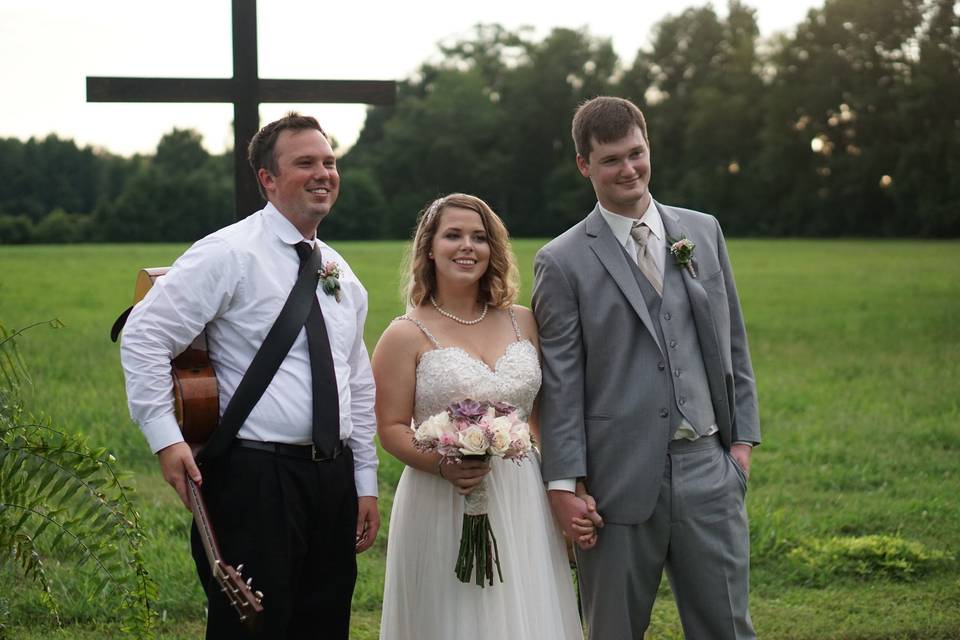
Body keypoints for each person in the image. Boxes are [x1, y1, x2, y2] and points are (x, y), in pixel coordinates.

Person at [120, 112, 379, 639]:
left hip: (332, 479)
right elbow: (145, 336)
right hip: (256, 479)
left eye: (329, 162)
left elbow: (357, 380)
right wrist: (166, 440)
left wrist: (364, 481)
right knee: (252, 630)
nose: (323, 173)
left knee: (324, 626)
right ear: (267, 178)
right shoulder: (228, 253)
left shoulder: (340, 273)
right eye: (304, 162)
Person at [532, 96, 761, 639]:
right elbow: (560, 385)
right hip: (615, 484)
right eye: (611, 159)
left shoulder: (702, 231)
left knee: (728, 628)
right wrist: (564, 485)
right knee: (612, 630)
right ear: (585, 166)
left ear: (648, 146)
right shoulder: (561, 261)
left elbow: (733, 344)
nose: (628, 169)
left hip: (709, 468)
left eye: (636, 153)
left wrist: (741, 446)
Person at [373, 193, 592, 640]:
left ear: (494, 249)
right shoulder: (404, 333)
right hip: (442, 497)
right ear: (429, 248)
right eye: (452, 235)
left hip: (521, 492)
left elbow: (542, 418)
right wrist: (443, 464)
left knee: (526, 612)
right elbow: (391, 428)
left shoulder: (523, 322)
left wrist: (566, 486)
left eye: (479, 237)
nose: (466, 246)